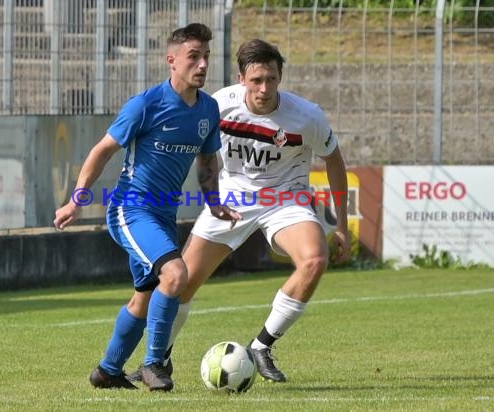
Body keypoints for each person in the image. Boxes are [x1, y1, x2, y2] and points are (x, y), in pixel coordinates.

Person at [130, 38, 351, 384]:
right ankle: (159, 360)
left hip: (286, 199)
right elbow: (198, 150)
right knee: (182, 282)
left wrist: (341, 226)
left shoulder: (306, 116)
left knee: (314, 260)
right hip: (232, 199)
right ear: (241, 78)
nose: (264, 89)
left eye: (272, 80)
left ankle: (262, 345)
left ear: (281, 77)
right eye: (257, 80)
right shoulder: (219, 105)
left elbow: (335, 161)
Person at [53, 23, 240, 392]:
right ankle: (155, 363)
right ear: (172, 60)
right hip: (131, 209)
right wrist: (78, 198)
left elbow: (206, 160)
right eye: (193, 57)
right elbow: (102, 150)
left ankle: (107, 370)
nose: (202, 64)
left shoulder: (208, 109)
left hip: (164, 216)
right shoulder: (146, 105)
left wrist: (215, 203)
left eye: (206, 57)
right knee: (175, 274)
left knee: (145, 297)